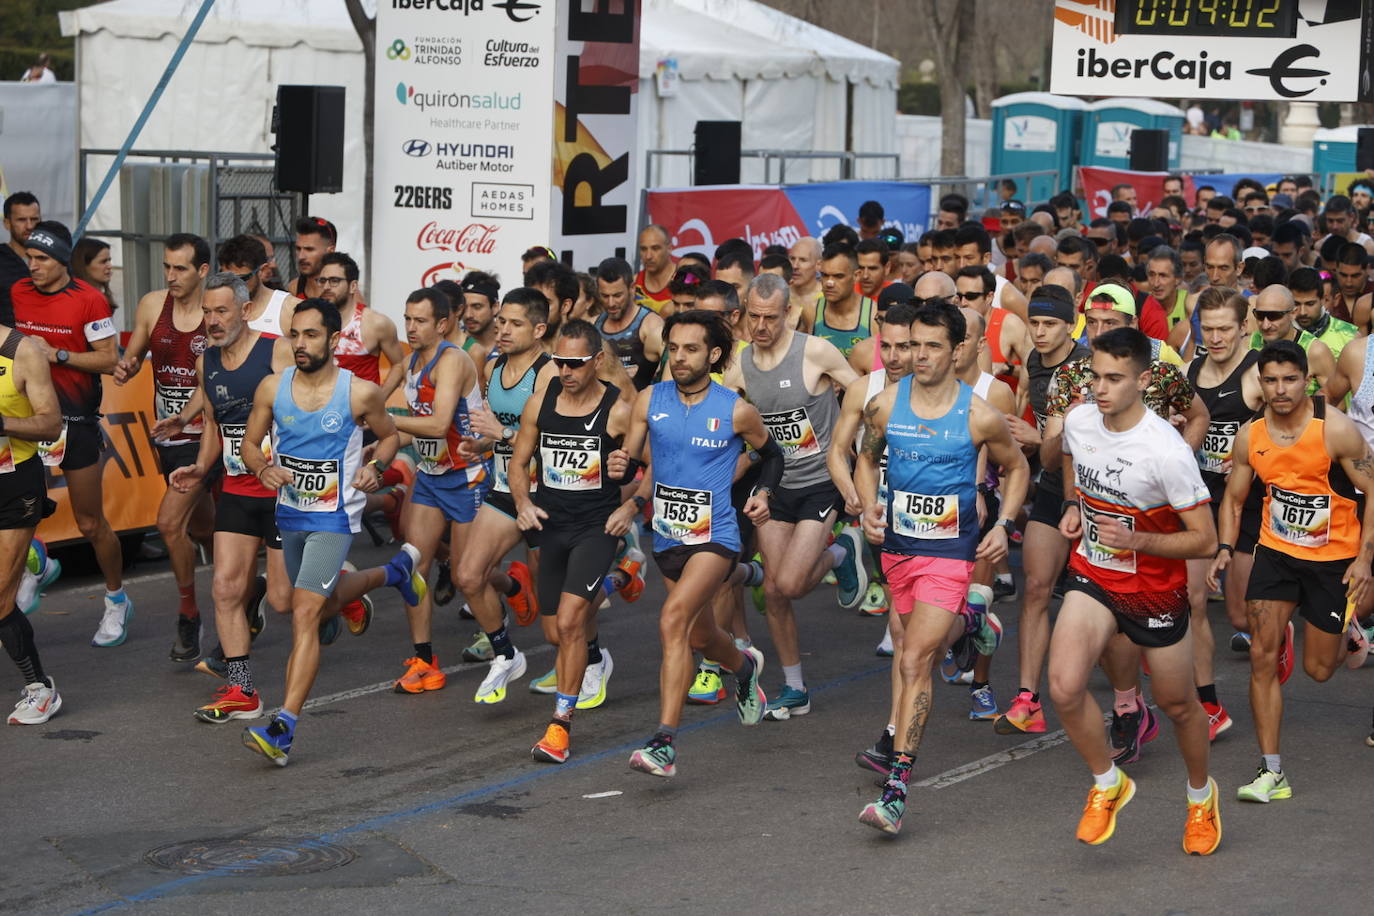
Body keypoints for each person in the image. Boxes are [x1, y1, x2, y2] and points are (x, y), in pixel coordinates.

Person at [854, 301, 1028, 834]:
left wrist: (1001, 525)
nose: (921, 355)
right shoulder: (884, 405)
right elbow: (865, 458)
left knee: (913, 660)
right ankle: (974, 620)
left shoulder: (978, 414)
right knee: (911, 640)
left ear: (958, 351)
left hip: (953, 553)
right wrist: (868, 508)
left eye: (933, 346)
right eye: (915, 344)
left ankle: (896, 789)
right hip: (899, 548)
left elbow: (1016, 467)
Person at [1053, 327, 1221, 855]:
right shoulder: (1080, 420)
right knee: (1062, 687)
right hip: (1095, 574)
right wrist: (1074, 506)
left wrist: (1137, 537)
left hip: (1153, 589)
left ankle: (1200, 798)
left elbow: (1205, 540)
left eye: (1114, 379)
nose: (1099, 389)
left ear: (1144, 380)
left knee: (1177, 705)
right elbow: (1071, 457)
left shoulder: (1166, 452)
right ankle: (1108, 782)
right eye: (1095, 376)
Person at [238, 300, 426, 766]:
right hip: (289, 515)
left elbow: (386, 436)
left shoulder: (359, 393)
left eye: (311, 336)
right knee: (287, 602)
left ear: (334, 339)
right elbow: (247, 444)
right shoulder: (271, 388)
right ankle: (395, 572)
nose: (301, 345)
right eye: (295, 335)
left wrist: (377, 467)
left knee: (304, 614)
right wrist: (262, 468)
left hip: (333, 518)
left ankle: (283, 729)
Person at [607, 309, 781, 777]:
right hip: (667, 536)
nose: (679, 358)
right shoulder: (649, 399)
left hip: (716, 536)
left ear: (715, 354)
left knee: (673, 620)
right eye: (674, 348)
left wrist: (762, 494)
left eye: (691, 349)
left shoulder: (734, 409)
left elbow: (772, 456)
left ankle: (664, 742)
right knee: (702, 637)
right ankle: (744, 670)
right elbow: (634, 457)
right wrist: (620, 467)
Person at [1208, 340, 1374, 802]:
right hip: (1276, 555)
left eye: (1289, 379)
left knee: (1320, 670)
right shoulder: (1251, 435)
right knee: (1262, 656)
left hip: (1333, 562)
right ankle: (1272, 771)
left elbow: (1372, 488)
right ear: (1260, 384)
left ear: (1308, 380)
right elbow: (1236, 499)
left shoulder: (1334, 431)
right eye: (1271, 380)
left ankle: (1351, 628)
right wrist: (1224, 548)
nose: (1280, 390)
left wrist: (1363, 558)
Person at [725, 273, 865, 720]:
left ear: (788, 312)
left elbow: (862, 394)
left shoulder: (815, 351)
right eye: (754, 317)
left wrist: (855, 450)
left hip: (821, 481)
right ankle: (795, 688)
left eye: (770, 317)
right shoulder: (741, 364)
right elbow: (721, 419)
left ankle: (843, 552)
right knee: (777, 591)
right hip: (775, 484)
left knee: (788, 582)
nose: (761, 326)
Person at [168, 272, 293, 722]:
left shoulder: (276, 351)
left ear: (244, 310)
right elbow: (215, 427)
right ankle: (243, 691)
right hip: (238, 489)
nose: (212, 320)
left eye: (221, 311)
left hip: (282, 492)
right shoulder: (207, 363)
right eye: (206, 312)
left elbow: (304, 408)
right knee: (224, 588)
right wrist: (203, 467)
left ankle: (345, 592)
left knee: (282, 600)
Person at [510, 319, 633, 762]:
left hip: (596, 528)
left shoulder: (619, 409)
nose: (565, 370)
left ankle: (560, 725)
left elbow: (655, 465)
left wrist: (629, 507)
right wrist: (522, 501)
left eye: (576, 363)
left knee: (568, 623)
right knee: (553, 630)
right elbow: (518, 461)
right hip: (551, 526)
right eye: (560, 361)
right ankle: (617, 580)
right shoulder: (541, 404)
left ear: (597, 361)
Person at [10, 221, 130, 646]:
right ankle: (36, 566)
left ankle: (116, 599)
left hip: (75, 422)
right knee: (17, 510)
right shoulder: (19, 292)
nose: (33, 265)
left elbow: (108, 359)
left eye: (41, 258)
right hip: (29, 420)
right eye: (29, 257)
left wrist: (56, 353)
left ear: (62, 260)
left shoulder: (89, 300)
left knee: (89, 521)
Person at [114, 233, 217, 661]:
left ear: (203, 271)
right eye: (167, 267)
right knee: (203, 528)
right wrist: (126, 365)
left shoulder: (216, 316)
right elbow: (134, 352)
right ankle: (249, 586)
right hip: (169, 438)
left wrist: (192, 415)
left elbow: (217, 383)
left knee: (169, 525)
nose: (171, 277)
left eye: (181, 269)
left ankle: (189, 613)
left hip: (209, 437)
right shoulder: (153, 305)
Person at [994, 285, 1088, 736]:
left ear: (1071, 324)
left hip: (1097, 495)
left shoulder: (1089, 368)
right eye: (1035, 323)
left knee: (1096, 599)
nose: (1041, 332)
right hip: (1052, 489)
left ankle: (1129, 703)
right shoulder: (1034, 360)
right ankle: (1027, 700)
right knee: (1035, 586)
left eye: (1050, 324)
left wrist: (1038, 441)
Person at [453, 288, 553, 703]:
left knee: (557, 606)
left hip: (548, 495)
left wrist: (504, 434)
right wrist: (482, 445)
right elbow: (501, 435)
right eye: (503, 322)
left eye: (515, 324)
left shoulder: (548, 373)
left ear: (540, 329)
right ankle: (506, 653)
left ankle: (593, 657)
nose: (504, 330)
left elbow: (558, 441)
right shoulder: (492, 366)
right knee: (468, 575)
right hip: (504, 488)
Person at [389, 288, 489, 694]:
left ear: (442, 324)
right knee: (415, 568)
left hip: (467, 476)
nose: (411, 328)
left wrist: (387, 422)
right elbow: (375, 405)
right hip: (431, 476)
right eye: (408, 319)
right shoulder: (410, 361)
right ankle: (425, 660)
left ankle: (511, 589)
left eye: (420, 321)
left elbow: (436, 424)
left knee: (470, 577)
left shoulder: (453, 361)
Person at [1183, 287, 1262, 740]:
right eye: (1207, 328)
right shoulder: (1191, 369)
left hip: (1250, 503)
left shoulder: (1256, 373)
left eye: (1224, 329)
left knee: (1237, 616)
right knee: (1194, 601)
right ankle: (1209, 704)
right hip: (1203, 500)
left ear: (1243, 326)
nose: (1215, 337)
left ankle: (1272, 636)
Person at [0, 319, 64, 723]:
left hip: (13, 487)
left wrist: (1, 424)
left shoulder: (22, 352)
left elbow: (50, 423)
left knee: (1, 597)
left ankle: (41, 689)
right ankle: (34, 558)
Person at [315, 252, 405, 396]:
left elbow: (400, 364)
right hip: (319, 410)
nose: (326, 286)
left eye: (334, 281)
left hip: (359, 413)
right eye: (322, 280)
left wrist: (379, 400)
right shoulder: (311, 321)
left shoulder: (375, 323)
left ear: (353, 286)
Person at [594, 257, 664, 390]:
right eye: (605, 296)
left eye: (617, 295)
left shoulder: (651, 324)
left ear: (632, 288)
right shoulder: (593, 325)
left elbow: (668, 370)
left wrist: (646, 371)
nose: (611, 303)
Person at [217, 234, 299, 338]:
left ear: (262, 271)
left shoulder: (289, 310)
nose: (234, 286)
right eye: (226, 278)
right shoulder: (214, 311)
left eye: (242, 279)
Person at [814, 243, 875, 359]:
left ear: (856, 276)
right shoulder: (811, 312)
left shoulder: (874, 316)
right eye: (825, 275)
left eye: (838, 276)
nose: (829, 283)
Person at [1, 192, 42, 326]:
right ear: (7, 223)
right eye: (21, 220)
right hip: (9, 342)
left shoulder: (56, 259)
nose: (29, 226)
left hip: (51, 341)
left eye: (34, 219)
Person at [290, 217, 336, 300]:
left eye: (309, 249)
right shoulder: (294, 287)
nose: (301, 256)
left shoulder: (344, 292)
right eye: (298, 249)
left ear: (330, 251)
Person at [457, 271, 500, 361]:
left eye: (477, 307)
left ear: (495, 307)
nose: (468, 315)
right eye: (464, 307)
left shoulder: (511, 345)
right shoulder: (453, 347)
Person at [634, 225, 676, 314]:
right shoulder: (633, 283)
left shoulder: (687, 278)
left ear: (669, 248)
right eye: (643, 249)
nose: (648, 256)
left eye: (655, 248)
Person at [71, 238, 116, 314]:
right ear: (83, 265)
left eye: (109, 260)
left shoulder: (100, 296)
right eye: (103, 261)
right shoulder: (77, 300)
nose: (110, 266)